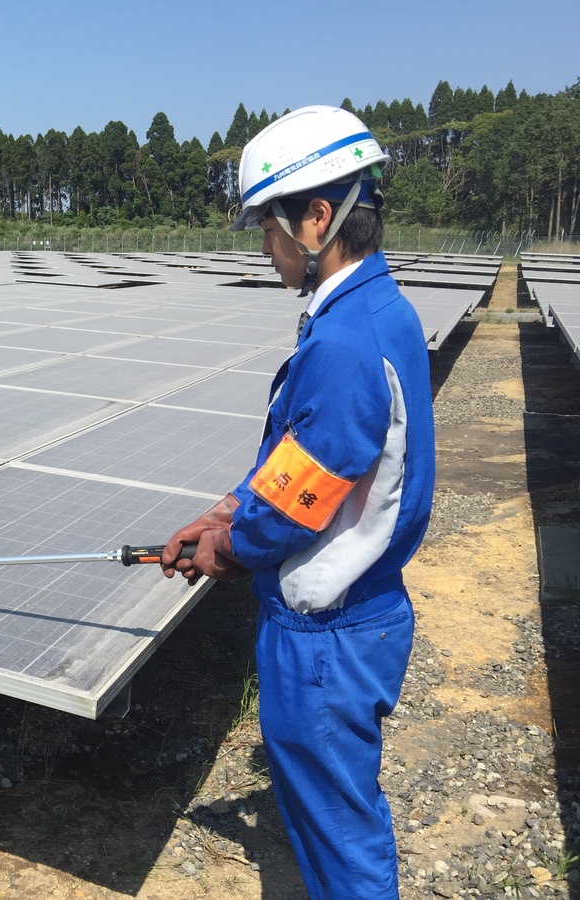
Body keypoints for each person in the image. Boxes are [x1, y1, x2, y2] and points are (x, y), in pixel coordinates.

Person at [160, 105, 435, 899]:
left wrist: (231, 545)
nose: (266, 248)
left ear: (319, 217)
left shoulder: (345, 341)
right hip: (356, 619)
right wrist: (226, 508)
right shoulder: (374, 312)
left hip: (326, 638)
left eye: (269, 228)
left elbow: (296, 504)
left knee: (340, 839)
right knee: (336, 817)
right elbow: (304, 459)